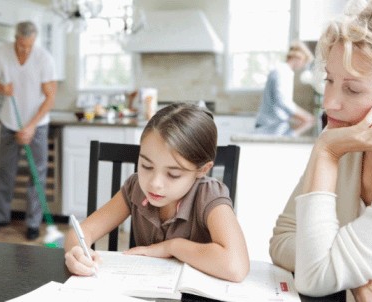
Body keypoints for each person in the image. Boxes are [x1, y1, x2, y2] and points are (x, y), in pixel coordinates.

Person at [269, 1, 372, 301]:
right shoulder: (339, 141)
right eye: (329, 80)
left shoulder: (331, 147)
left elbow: (316, 277)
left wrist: (335, 266)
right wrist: (351, 272)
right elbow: (282, 239)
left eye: (353, 89)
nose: (329, 103)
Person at [64, 103, 250, 282]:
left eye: (173, 174)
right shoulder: (135, 188)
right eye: (146, 165)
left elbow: (236, 266)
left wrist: (171, 247)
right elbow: (80, 232)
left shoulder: (209, 194)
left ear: (202, 170)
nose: (154, 184)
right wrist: (77, 253)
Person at [0, 21, 57, 240]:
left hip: (37, 125)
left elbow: (50, 97)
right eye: (22, 46)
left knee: (37, 174)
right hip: (9, 121)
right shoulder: (2, 53)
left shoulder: (44, 59)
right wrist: (2, 88)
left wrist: (31, 126)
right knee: (5, 171)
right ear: (15, 39)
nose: (25, 50)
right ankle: (0, 217)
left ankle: (33, 223)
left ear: (35, 41)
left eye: (29, 46)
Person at [255, 41, 316, 131]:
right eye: (304, 62)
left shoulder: (285, 71)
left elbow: (285, 102)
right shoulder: (282, 72)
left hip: (273, 123)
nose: (303, 66)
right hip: (269, 124)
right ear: (299, 57)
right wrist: (306, 117)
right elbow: (283, 102)